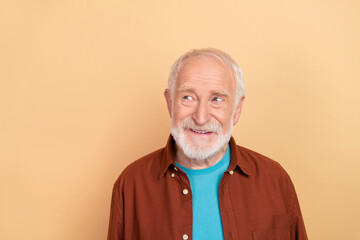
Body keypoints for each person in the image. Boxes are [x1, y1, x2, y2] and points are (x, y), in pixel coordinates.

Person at [107, 48, 308, 240]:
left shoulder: (275, 180)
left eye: (217, 99)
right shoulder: (131, 184)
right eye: (188, 97)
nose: (201, 118)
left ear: (237, 109)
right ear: (170, 103)